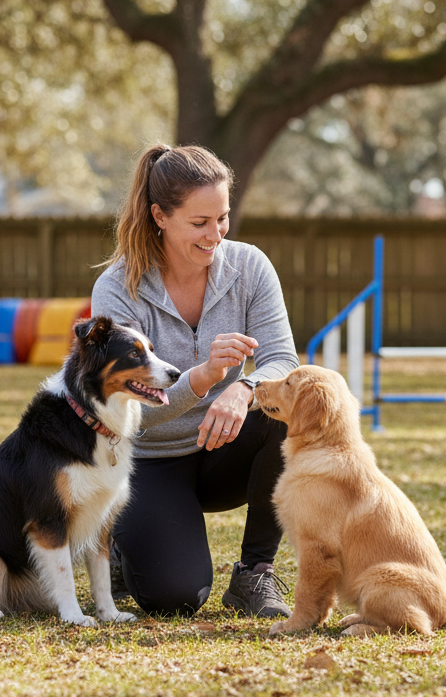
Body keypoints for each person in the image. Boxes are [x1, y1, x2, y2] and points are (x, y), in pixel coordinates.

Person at [90, 143, 299, 618]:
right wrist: (202, 379)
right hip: (148, 461)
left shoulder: (250, 268)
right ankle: (128, 548)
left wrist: (244, 390)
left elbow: (282, 359)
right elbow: (121, 402)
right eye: (200, 223)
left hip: (222, 450)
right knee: (174, 598)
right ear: (160, 215)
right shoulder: (118, 289)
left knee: (288, 410)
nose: (216, 235)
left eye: (222, 218)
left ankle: (254, 574)